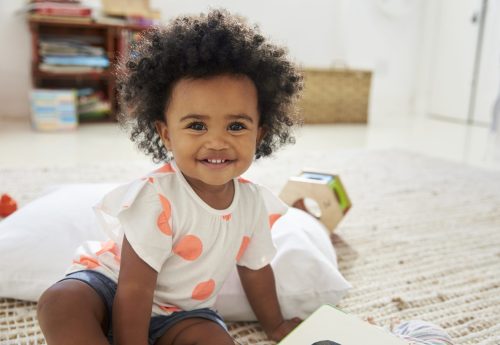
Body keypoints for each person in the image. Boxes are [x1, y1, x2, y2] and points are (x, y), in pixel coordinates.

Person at [36, 9, 303, 345]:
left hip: (184, 315)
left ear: (260, 134)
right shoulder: (156, 197)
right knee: (60, 303)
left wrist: (276, 326)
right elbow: (134, 289)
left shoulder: (253, 203)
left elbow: (256, 270)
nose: (217, 141)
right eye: (196, 126)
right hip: (110, 289)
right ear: (165, 134)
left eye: (236, 126)